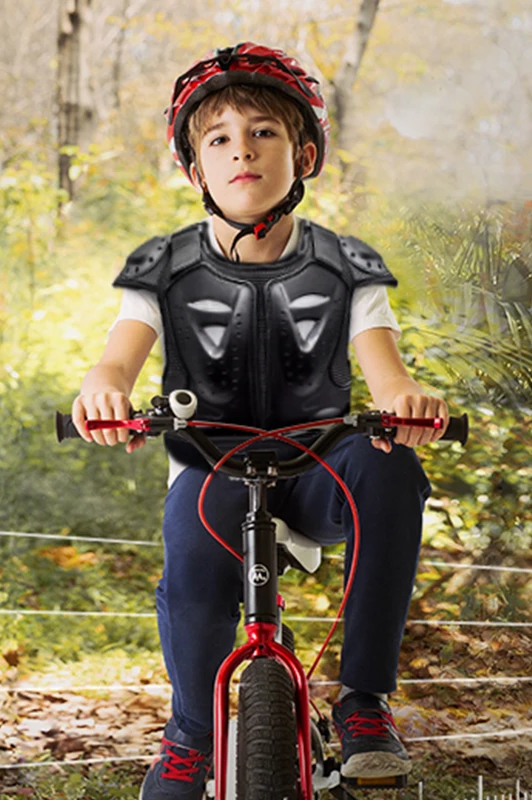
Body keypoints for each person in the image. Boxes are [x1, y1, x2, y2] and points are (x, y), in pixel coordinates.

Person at [72, 42, 448, 800]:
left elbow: (386, 370)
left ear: (303, 156)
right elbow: (116, 361)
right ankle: (191, 734)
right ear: (195, 173)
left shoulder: (346, 266)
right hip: (212, 463)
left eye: (263, 133)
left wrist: (407, 399)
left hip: (318, 465)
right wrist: (104, 392)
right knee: (192, 563)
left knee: (390, 465)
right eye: (218, 140)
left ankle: (364, 702)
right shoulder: (164, 267)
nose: (240, 150)